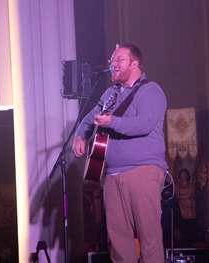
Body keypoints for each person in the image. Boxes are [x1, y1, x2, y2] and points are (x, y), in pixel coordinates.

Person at [72, 43, 168, 262]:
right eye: (111, 60)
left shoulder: (150, 90)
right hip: (112, 175)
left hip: (143, 170)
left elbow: (144, 124)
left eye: (119, 60)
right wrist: (80, 135)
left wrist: (112, 121)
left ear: (134, 63)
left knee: (149, 236)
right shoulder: (110, 94)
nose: (112, 64)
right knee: (118, 240)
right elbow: (89, 118)